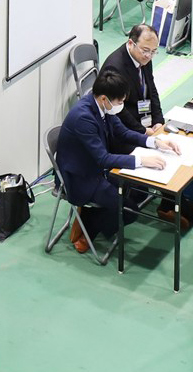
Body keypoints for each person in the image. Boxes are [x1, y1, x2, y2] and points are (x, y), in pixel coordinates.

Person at [101, 23, 193, 225]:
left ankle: (168, 204)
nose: (149, 56)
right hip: (122, 131)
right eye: (145, 51)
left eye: (154, 52)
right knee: (159, 155)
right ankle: (174, 206)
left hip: (143, 122)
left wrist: (158, 121)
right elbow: (119, 110)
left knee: (173, 146)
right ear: (131, 43)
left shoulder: (144, 57)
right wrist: (144, 131)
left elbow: (152, 90)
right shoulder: (115, 66)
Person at [54, 68, 178, 254]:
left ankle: (92, 217)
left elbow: (123, 132)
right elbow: (103, 159)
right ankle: (89, 223)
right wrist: (142, 160)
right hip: (80, 177)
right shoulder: (83, 118)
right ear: (104, 98)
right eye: (120, 102)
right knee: (129, 211)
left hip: (95, 168)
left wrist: (155, 142)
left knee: (138, 191)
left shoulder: (103, 107)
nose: (121, 105)